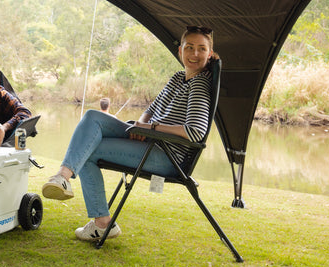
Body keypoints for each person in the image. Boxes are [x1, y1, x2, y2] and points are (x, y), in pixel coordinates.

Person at [42, 26, 217, 242]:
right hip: (149, 140)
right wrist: (141, 125)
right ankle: (62, 179)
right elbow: (150, 110)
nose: (195, 54)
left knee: (86, 151)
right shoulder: (178, 78)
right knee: (92, 118)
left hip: (166, 155)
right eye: (189, 47)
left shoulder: (199, 84)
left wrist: (149, 129)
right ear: (180, 50)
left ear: (209, 54)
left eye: (202, 49)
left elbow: (195, 131)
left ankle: (101, 222)